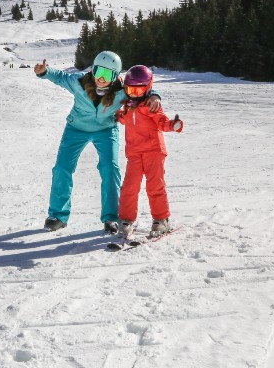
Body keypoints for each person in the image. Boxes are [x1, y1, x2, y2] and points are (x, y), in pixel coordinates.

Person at [35, 52, 161, 234]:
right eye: (98, 71)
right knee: (62, 168)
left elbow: (142, 90)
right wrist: (44, 71)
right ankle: (58, 216)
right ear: (92, 70)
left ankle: (111, 218)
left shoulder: (122, 91)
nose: (101, 78)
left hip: (106, 130)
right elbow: (60, 77)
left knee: (110, 168)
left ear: (116, 75)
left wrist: (155, 96)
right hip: (76, 129)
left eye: (108, 74)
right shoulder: (79, 82)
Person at [115, 65, 183, 239]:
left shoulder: (151, 105)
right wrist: (117, 115)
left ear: (147, 88)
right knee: (130, 187)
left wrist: (173, 125)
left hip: (154, 151)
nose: (134, 94)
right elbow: (124, 119)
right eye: (130, 90)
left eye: (139, 91)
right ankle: (126, 220)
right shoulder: (127, 106)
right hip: (134, 153)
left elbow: (162, 122)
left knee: (155, 186)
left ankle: (162, 219)